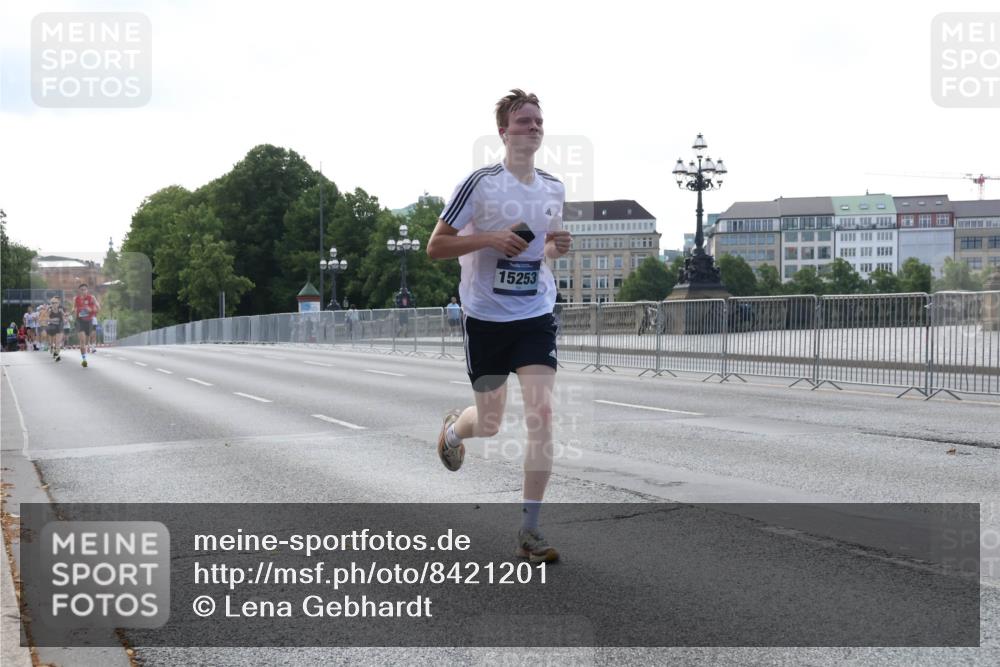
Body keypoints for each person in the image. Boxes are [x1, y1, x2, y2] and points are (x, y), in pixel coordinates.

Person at [426, 89, 572, 563]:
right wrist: (489, 238)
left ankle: (529, 531)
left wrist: (556, 247)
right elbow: (436, 247)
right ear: (504, 131)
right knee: (489, 422)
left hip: (534, 315)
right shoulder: (480, 184)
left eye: (538, 121)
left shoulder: (552, 187)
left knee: (542, 415)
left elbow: (542, 250)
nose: (533, 127)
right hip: (485, 317)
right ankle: (454, 430)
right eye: (523, 121)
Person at [74, 283, 99, 367]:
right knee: (82, 341)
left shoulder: (92, 298)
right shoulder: (76, 299)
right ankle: (84, 359)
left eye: (85, 289)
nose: (83, 291)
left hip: (89, 321)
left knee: (87, 340)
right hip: (79, 321)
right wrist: (71, 312)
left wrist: (91, 309)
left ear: (87, 290)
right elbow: (74, 308)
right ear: (79, 291)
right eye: (82, 290)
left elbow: (98, 308)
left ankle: (88, 346)